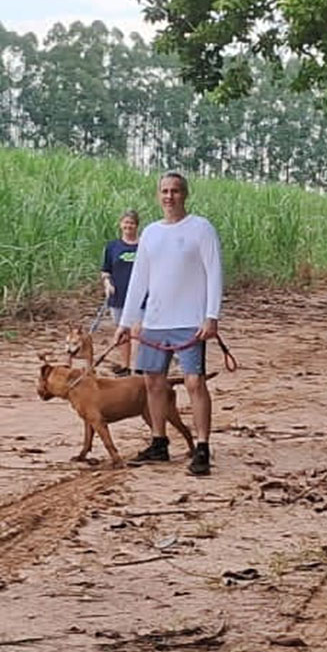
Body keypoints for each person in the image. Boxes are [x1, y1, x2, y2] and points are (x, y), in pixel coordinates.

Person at [112, 171, 221, 474]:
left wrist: (211, 316)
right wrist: (127, 320)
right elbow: (139, 279)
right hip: (156, 321)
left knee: (194, 382)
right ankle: (159, 442)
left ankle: (202, 447)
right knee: (153, 381)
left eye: (175, 191)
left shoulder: (201, 229)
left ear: (185, 194)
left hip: (190, 321)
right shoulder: (150, 233)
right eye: (164, 191)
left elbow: (214, 273)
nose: (169, 196)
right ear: (158, 196)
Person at [100, 210, 141, 376]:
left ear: (137, 225)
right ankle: (125, 366)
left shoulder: (143, 245)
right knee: (123, 331)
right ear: (120, 224)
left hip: (140, 296)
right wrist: (107, 284)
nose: (128, 226)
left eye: (131, 223)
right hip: (118, 295)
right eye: (125, 223)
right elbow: (105, 271)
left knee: (138, 332)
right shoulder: (112, 247)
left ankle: (138, 366)